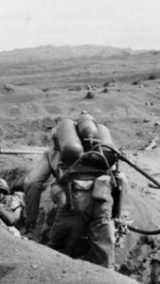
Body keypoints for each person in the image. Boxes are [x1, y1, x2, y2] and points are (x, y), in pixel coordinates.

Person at [44, 115, 126, 269]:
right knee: (104, 253)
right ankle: (108, 280)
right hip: (103, 196)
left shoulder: (67, 150)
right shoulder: (104, 154)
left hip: (77, 199)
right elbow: (121, 185)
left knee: (57, 252)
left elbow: (40, 182)